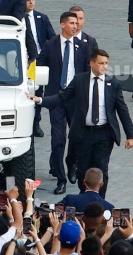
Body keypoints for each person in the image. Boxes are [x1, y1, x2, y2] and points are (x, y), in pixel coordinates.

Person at [30, 49, 133, 197]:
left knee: (101, 169)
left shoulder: (113, 84)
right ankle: (84, 196)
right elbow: (62, 97)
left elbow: (122, 109)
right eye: (101, 63)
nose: (104, 66)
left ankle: (99, 200)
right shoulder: (80, 80)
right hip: (83, 133)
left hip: (104, 134)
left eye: (106, 63)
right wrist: (40, 100)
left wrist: (131, 135)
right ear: (92, 63)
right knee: (83, 169)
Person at [38, 11, 91, 195]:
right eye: (72, 23)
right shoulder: (50, 44)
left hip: (75, 99)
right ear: (62, 25)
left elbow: (86, 73)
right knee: (58, 139)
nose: (75, 26)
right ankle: (61, 179)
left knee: (76, 137)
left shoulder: (82, 46)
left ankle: (72, 164)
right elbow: (39, 65)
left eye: (77, 23)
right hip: (56, 98)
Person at [20, 0, 56, 138]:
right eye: (27, 0)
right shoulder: (17, 18)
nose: (31, 3)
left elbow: (52, 38)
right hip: (22, 60)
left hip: (38, 61)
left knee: (38, 92)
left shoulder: (42, 18)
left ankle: (36, 123)